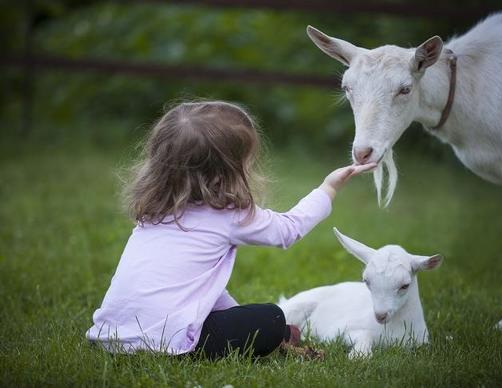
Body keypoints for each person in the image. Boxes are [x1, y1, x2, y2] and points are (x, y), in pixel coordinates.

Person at [86, 101, 375, 358]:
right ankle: (278, 337)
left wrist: (235, 314)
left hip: (113, 336)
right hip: (167, 342)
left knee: (257, 319)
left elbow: (200, 290)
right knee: (272, 318)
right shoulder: (228, 215)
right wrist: (329, 187)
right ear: (228, 170)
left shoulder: (153, 214)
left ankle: (274, 335)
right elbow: (288, 229)